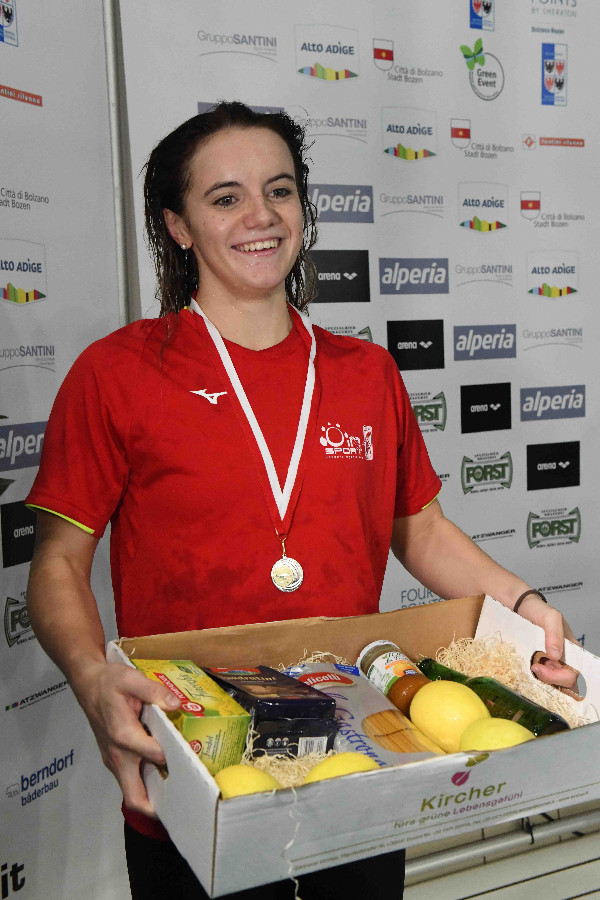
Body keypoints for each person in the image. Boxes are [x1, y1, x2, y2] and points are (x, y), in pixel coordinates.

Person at [25, 101, 577, 900]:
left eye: (279, 191)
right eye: (226, 198)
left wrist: (525, 607)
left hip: (363, 757)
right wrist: (89, 676)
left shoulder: (365, 372)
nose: (260, 216)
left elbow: (420, 528)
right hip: (199, 760)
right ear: (178, 226)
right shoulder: (117, 373)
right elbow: (58, 563)